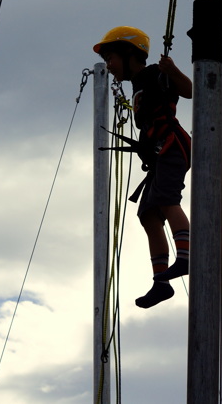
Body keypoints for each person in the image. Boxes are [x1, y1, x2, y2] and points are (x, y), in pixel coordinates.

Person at [94, 26, 192, 308]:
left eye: (110, 58)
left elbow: (189, 91)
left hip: (173, 145)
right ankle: (161, 282)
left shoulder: (153, 75)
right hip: (160, 152)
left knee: (166, 199)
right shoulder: (138, 83)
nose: (109, 66)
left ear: (129, 54)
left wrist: (172, 70)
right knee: (148, 214)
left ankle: (186, 255)